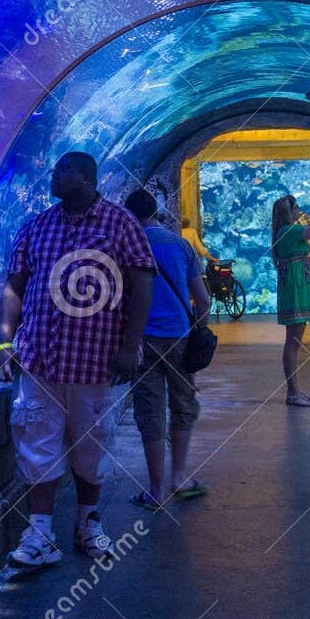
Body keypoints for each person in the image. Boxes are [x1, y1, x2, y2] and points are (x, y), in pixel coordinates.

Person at [0, 152, 157, 568]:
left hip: (95, 361)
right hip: (39, 360)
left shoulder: (121, 224)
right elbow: (14, 287)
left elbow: (141, 287)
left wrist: (129, 346)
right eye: (54, 169)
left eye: (63, 170)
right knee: (37, 440)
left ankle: (89, 523)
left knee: (91, 444)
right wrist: (4, 343)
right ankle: (39, 534)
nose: (55, 176)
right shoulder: (37, 226)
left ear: (85, 177)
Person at [125, 190, 212, 509]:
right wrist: (199, 330)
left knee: (149, 410)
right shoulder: (181, 245)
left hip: (141, 338)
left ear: (129, 216)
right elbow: (202, 299)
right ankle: (179, 477)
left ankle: (156, 490)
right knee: (182, 403)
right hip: (179, 335)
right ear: (158, 214)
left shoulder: (127, 246)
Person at [270, 188, 310, 406]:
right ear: (289, 212)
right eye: (296, 208)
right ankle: (292, 393)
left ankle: (295, 392)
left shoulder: (288, 230)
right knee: (293, 344)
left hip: (297, 286)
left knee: (295, 343)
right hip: (295, 288)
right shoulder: (290, 230)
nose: (298, 211)